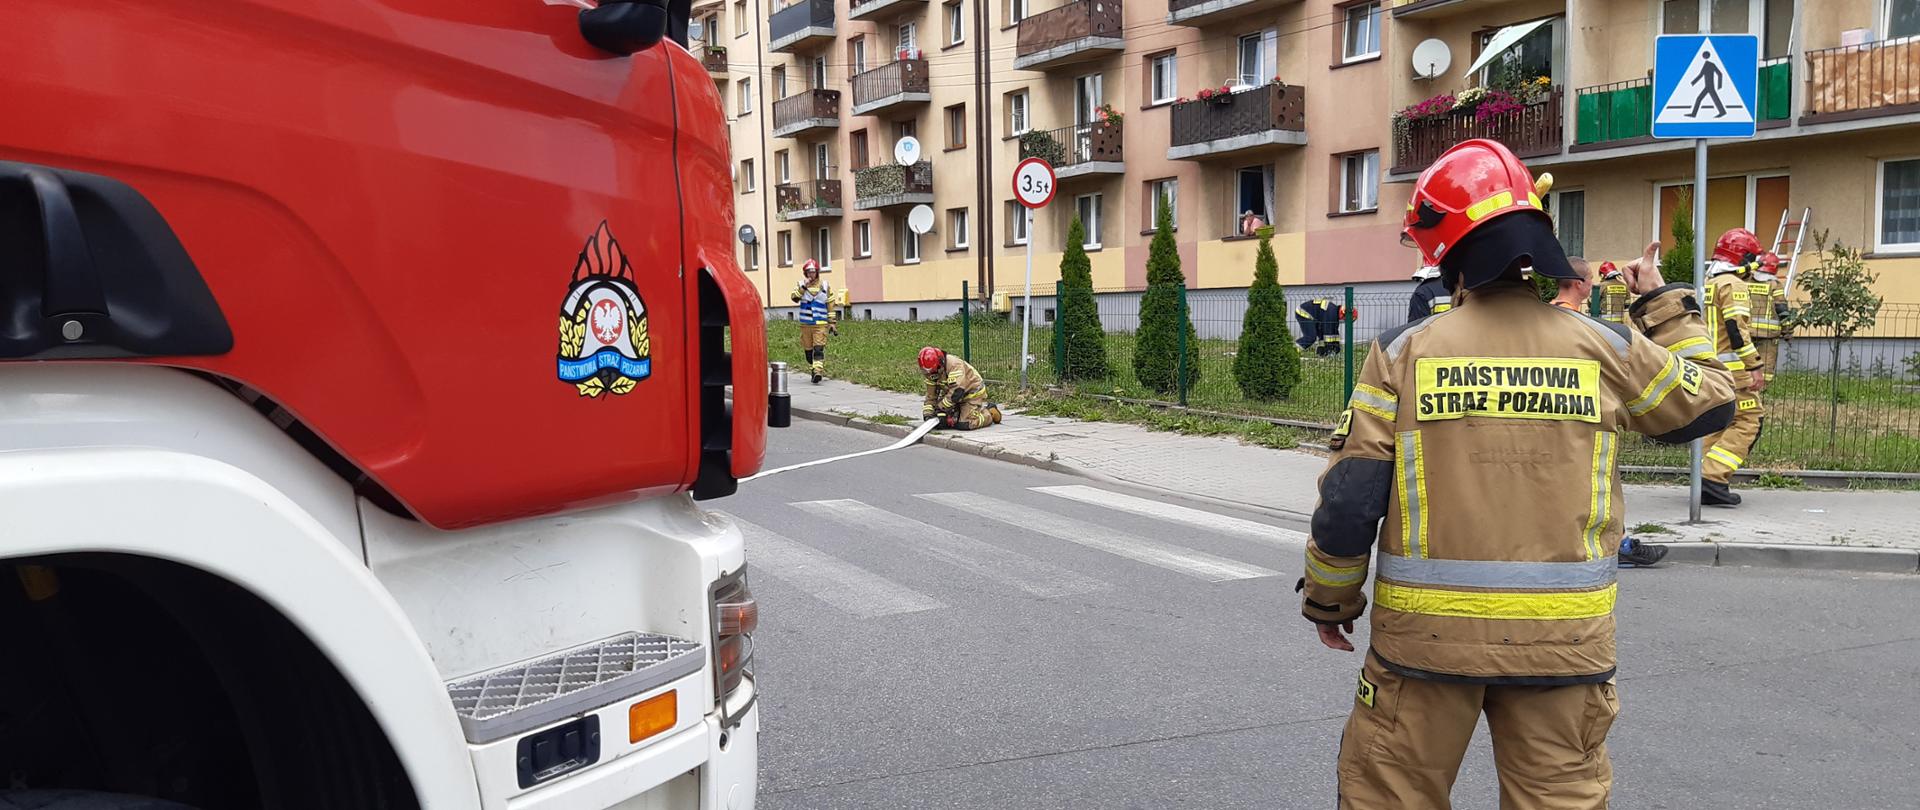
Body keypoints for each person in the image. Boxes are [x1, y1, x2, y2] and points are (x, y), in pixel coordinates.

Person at [1298, 138, 1736, 809]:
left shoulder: (1403, 354)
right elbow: (1708, 404)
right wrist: (1664, 306)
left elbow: (1353, 498)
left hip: (1424, 647)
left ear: (1444, 250)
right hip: (1563, 649)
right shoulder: (1601, 346)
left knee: (1391, 796)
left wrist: (1331, 600)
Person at [1700, 229, 1769, 506]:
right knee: (1750, 420)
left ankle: (1704, 478)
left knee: (1719, 422)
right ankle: (1713, 479)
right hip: (1733, 370)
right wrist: (1754, 365)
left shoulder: (1708, 283)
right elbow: (1736, 328)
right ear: (1744, 258)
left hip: (1710, 367)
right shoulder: (1734, 285)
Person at [918, 347, 1002, 430]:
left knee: (965, 423)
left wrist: (940, 409)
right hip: (951, 395)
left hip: (971, 393)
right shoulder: (929, 372)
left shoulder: (954, 365)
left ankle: (989, 413)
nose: (931, 375)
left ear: (941, 362)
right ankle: (957, 413)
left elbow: (957, 392)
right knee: (946, 422)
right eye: (927, 373)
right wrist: (928, 415)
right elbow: (930, 396)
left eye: (934, 371)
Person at [791, 259, 837, 384]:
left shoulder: (825, 286)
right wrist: (804, 287)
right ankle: (813, 368)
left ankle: (818, 371)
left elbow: (831, 305)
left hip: (820, 324)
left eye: (813, 272)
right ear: (805, 273)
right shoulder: (801, 285)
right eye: (809, 272)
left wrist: (832, 322)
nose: (811, 275)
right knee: (808, 353)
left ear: (817, 272)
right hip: (805, 325)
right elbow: (794, 298)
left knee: (818, 349)